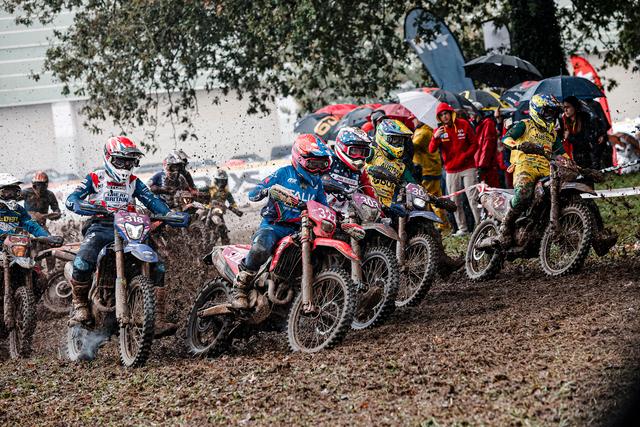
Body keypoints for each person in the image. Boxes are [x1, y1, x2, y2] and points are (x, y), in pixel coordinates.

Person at [65, 136, 186, 336]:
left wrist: (170, 214)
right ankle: (80, 305)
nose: (126, 166)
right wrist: (78, 204)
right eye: (121, 161)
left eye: (130, 162)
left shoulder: (134, 182)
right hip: (102, 226)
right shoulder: (95, 178)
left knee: (158, 266)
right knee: (82, 262)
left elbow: (151, 200)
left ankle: (156, 318)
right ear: (109, 158)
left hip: (129, 226)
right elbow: (72, 198)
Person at [230, 134, 332, 310]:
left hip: (301, 230)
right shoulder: (284, 173)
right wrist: (266, 191)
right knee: (261, 248)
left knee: (319, 254)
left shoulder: (317, 184)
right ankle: (240, 288)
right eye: (313, 164)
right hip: (274, 226)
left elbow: (324, 208)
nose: (316, 169)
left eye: (321, 164)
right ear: (300, 159)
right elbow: (254, 192)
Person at [492, 94, 565, 247]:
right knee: (524, 192)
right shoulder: (524, 125)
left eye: (553, 112)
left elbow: (562, 154)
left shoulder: (552, 134)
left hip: (546, 170)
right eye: (548, 112)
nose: (551, 116)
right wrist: (517, 145)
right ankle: (506, 224)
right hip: (525, 166)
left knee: (559, 192)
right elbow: (506, 138)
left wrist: (572, 164)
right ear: (537, 110)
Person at [429, 102, 480, 236]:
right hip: (451, 170)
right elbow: (431, 150)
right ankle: (462, 229)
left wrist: (464, 157)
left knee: (473, 198)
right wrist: (435, 138)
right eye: (441, 115)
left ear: (451, 113)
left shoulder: (464, 124)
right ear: (439, 118)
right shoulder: (439, 131)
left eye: (446, 113)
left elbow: (475, 144)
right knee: (454, 202)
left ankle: (481, 226)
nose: (444, 117)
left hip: (468, 167)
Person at [323, 126, 377, 207]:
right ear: (342, 146)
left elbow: (370, 192)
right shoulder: (328, 160)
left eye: (364, 152)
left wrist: (380, 208)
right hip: (324, 208)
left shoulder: (361, 171)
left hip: (349, 212)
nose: (359, 156)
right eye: (355, 151)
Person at [21, 171, 62, 271]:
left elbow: (57, 211)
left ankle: (51, 271)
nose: (39, 188)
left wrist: (50, 215)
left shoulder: (49, 195)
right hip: (25, 226)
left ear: (46, 185)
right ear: (33, 185)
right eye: (37, 185)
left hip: (41, 225)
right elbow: (11, 201)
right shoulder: (26, 192)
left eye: (42, 185)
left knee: (51, 244)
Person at [411, 120, 448, 228]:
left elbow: (413, 146)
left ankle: (442, 226)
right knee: (433, 198)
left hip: (428, 170)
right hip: (429, 169)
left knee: (431, 199)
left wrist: (407, 139)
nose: (413, 121)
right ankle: (442, 225)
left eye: (414, 119)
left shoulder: (423, 132)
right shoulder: (422, 130)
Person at [0, 174, 50, 239]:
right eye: (7, 193)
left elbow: (32, 226)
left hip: (15, 243)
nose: (12, 196)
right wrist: (10, 234)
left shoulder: (19, 210)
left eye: (15, 193)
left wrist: (47, 237)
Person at [206, 169, 243, 245]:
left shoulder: (226, 192)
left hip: (218, 212)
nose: (222, 183)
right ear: (216, 180)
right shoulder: (210, 189)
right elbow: (197, 192)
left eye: (223, 181)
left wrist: (236, 210)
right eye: (220, 181)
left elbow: (232, 203)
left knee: (223, 229)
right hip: (207, 209)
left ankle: (225, 245)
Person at [473, 107, 501, 188]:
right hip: (482, 165)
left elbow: (487, 146)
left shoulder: (488, 124)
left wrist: (482, 165)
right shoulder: (481, 125)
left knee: (489, 189)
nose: (472, 117)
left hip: (486, 166)